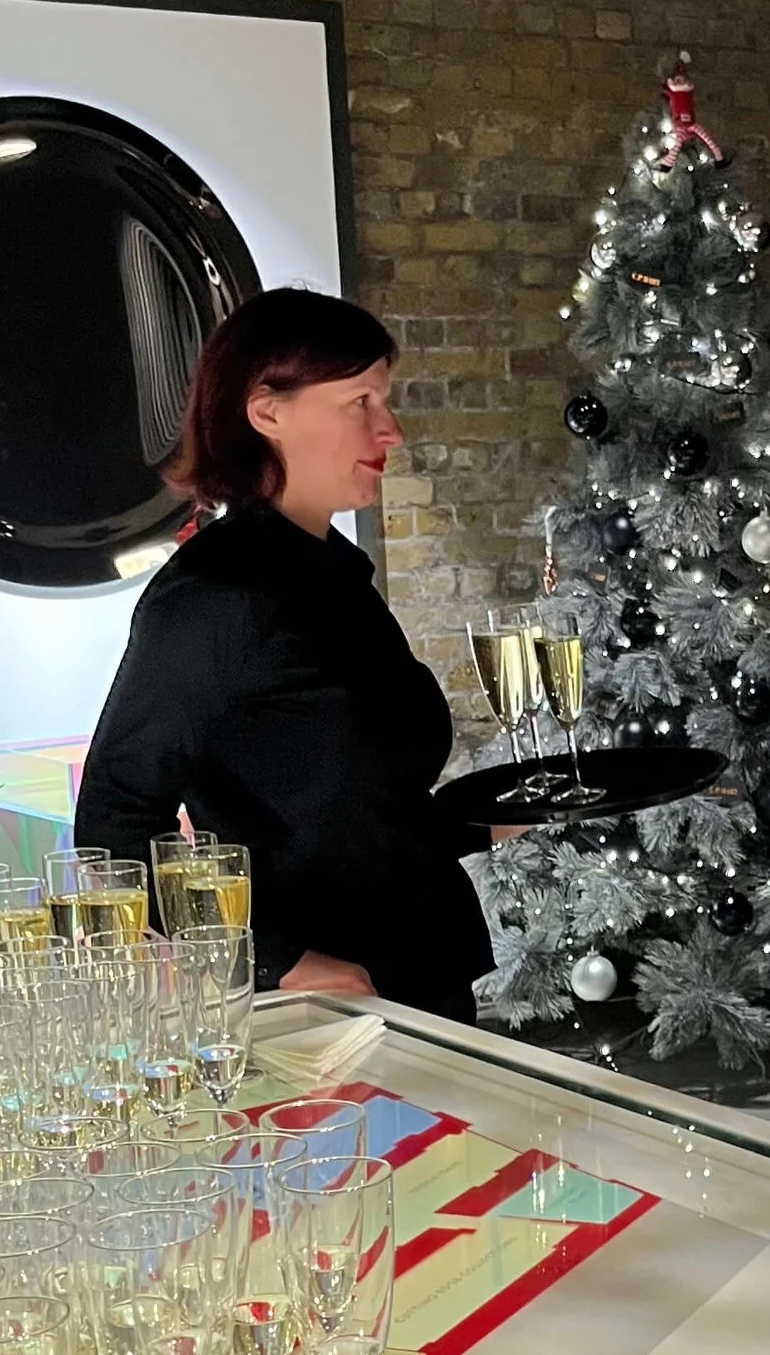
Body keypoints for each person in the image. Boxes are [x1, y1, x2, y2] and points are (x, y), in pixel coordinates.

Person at [74, 289, 493, 1019]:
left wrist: (513, 811)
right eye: (359, 400)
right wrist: (281, 962)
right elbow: (113, 824)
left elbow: (355, 807)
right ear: (267, 412)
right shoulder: (215, 597)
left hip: (420, 980)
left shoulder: (333, 571)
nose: (389, 429)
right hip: (321, 1021)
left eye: (383, 399)